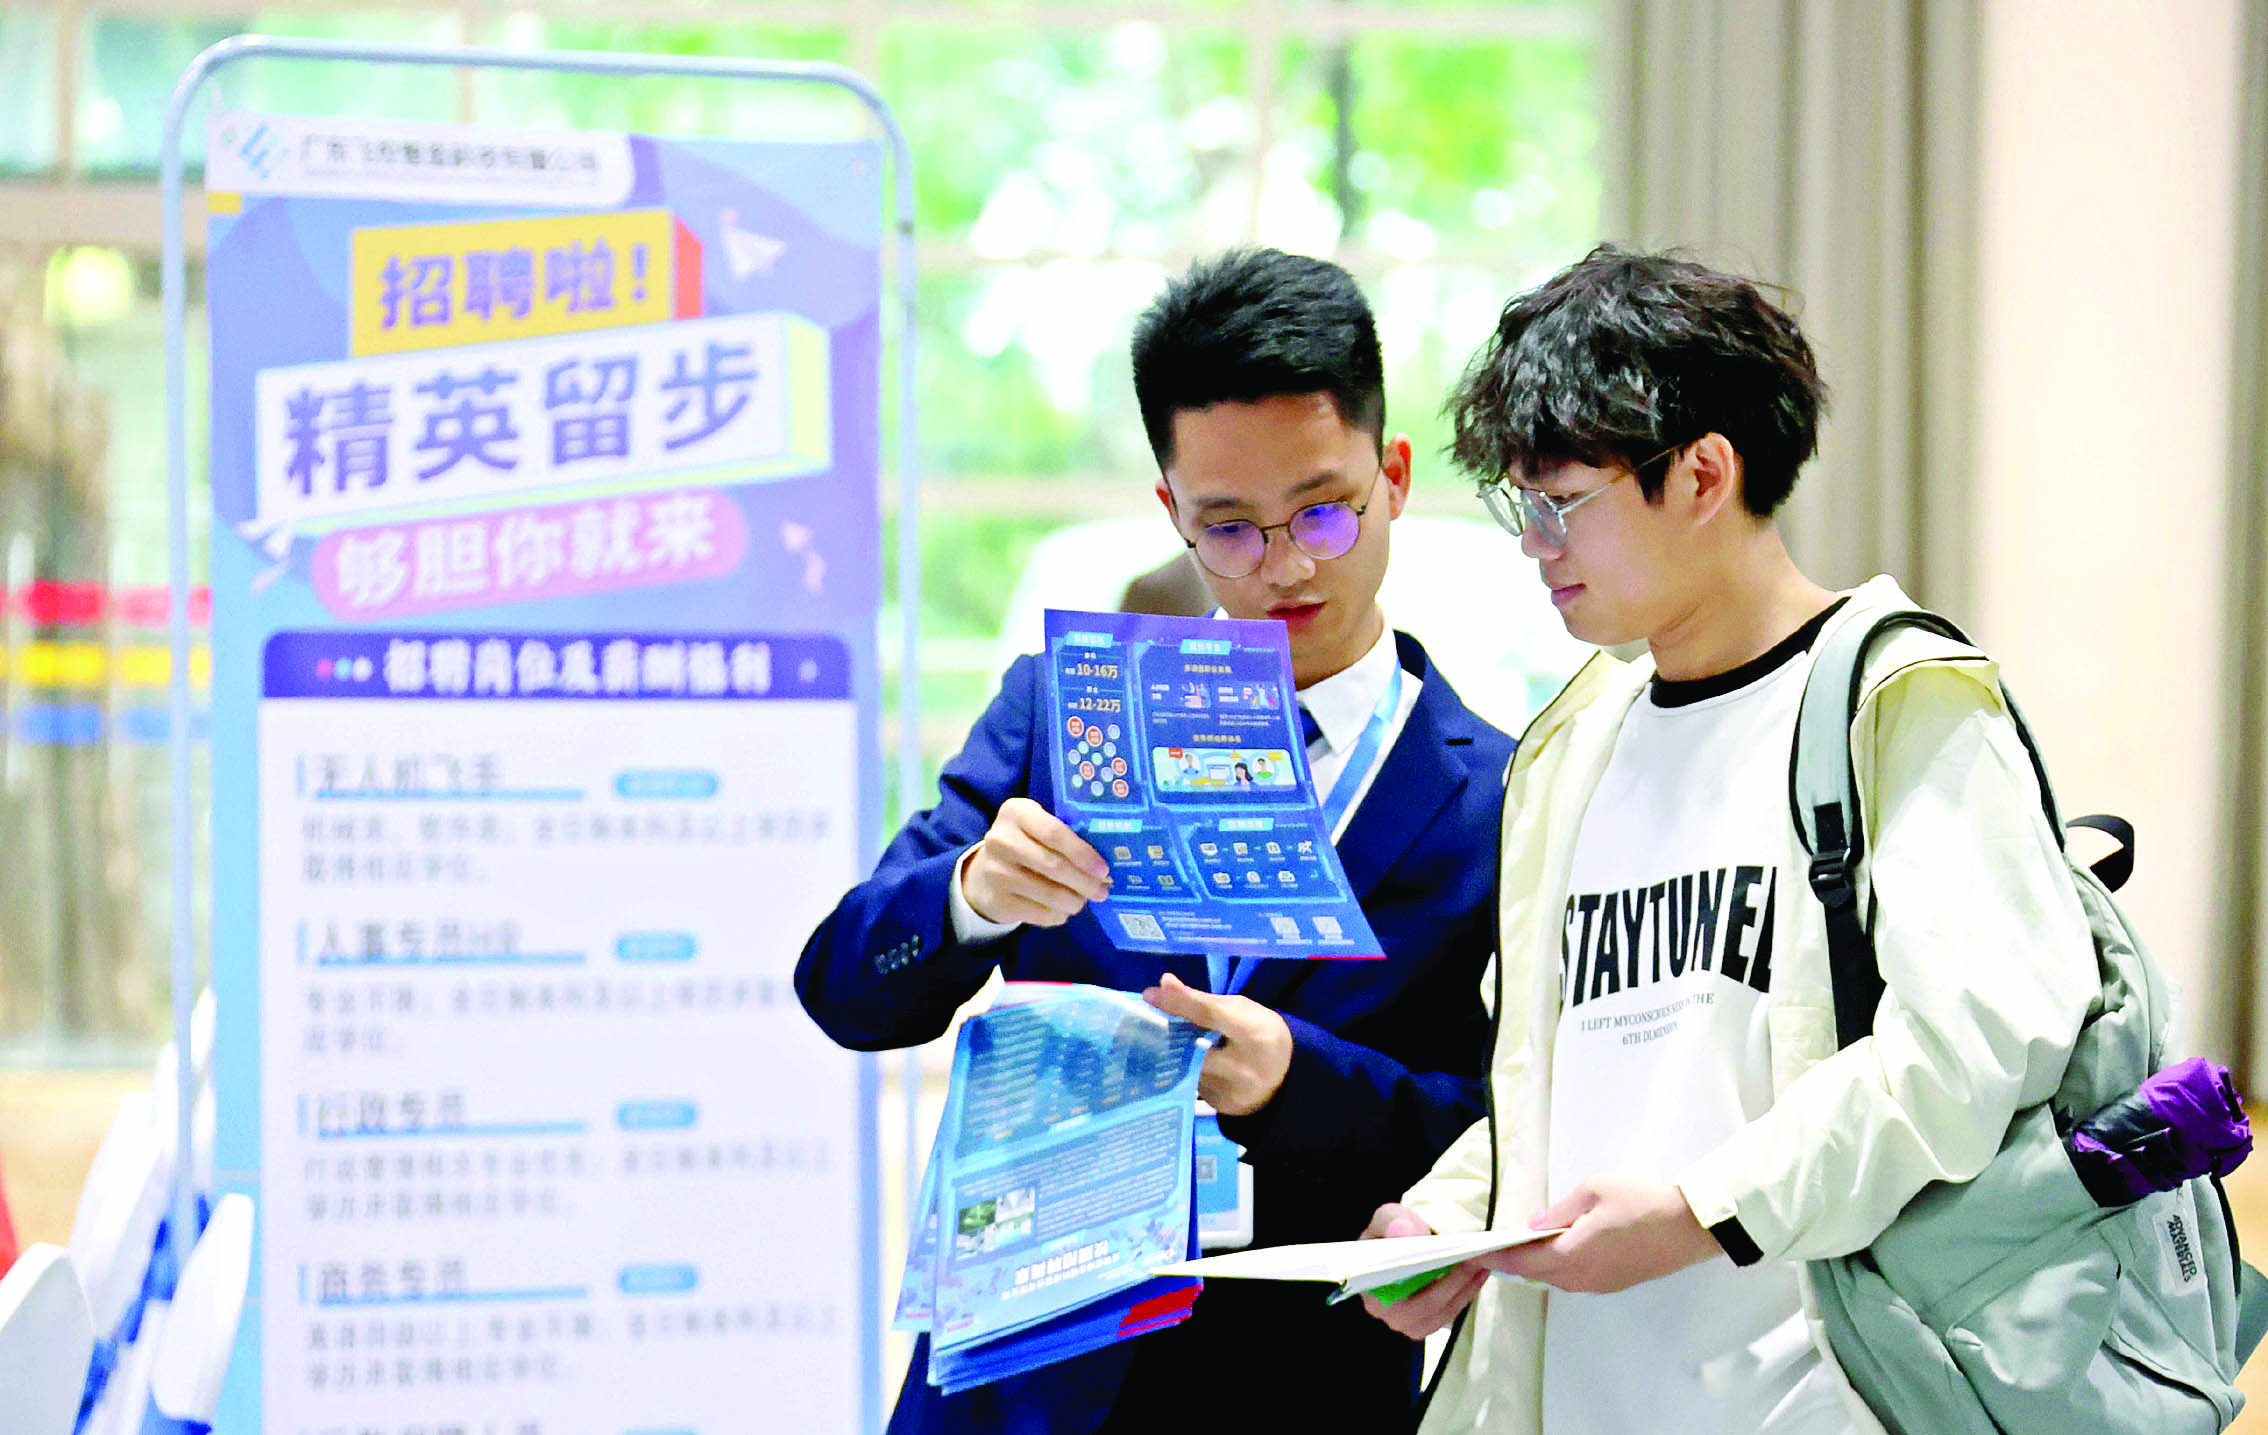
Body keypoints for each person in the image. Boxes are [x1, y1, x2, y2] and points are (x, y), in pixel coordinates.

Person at [1359, 247, 2098, 1435]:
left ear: (1703, 473)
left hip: (1821, 1393)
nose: (1536, 543)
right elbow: (1551, 1081)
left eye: (1562, 502)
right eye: (1520, 505)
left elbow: (1973, 1047)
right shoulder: (1574, 746)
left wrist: (1702, 1209)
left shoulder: (1894, 698)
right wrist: (1450, 1217)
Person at [795, 247, 1515, 1434]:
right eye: (1229, 529)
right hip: (1020, 1379)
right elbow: (841, 985)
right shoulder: (1068, 714)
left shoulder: (1500, 795)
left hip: (1298, 1389)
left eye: (1323, 510)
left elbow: (1506, 1133)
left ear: (1393, 477)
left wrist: (1297, 1078)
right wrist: (971, 893)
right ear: (1172, 511)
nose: (1286, 564)